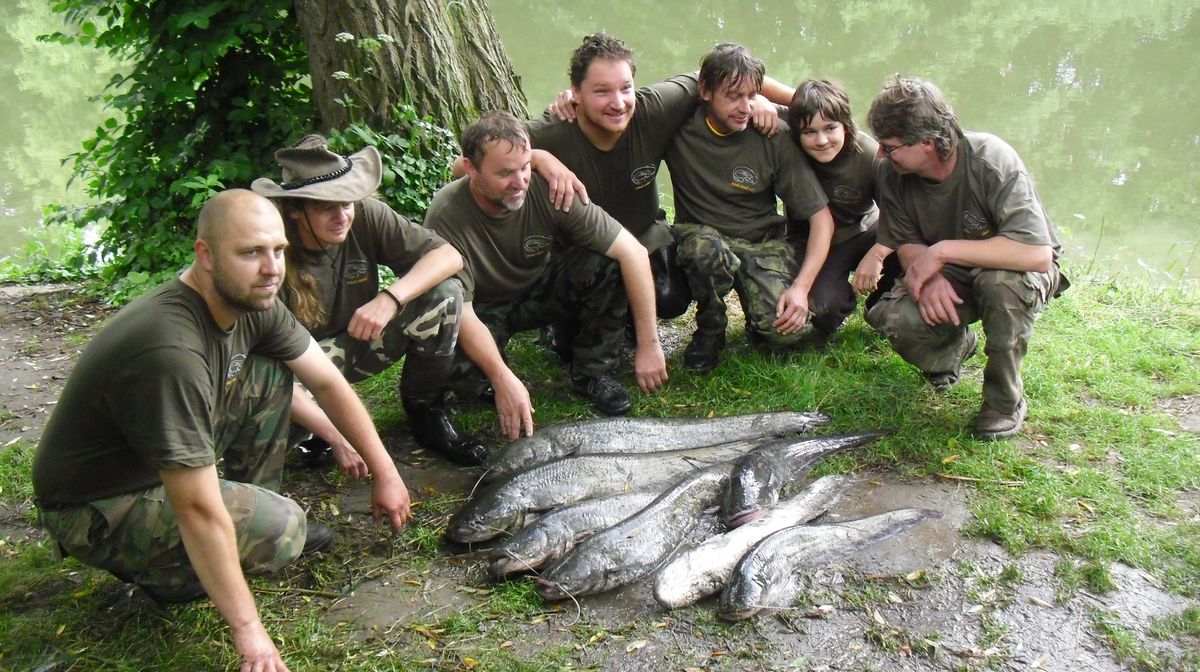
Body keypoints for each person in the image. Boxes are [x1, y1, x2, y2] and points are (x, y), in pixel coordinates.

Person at [33, 189, 411, 671]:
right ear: (205, 256)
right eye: (251, 252)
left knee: (273, 373)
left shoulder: (255, 300)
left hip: (150, 459)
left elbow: (326, 381)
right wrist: (251, 634)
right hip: (99, 503)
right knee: (283, 529)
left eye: (277, 250)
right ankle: (181, 576)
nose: (272, 267)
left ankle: (239, 529)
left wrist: (386, 472)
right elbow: (194, 506)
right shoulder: (170, 352)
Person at [425, 111, 667, 439]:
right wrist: (501, 377)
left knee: (608, 263)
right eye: (505, 173)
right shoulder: (446, 214)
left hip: (537, 291)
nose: (520, 181)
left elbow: (633, 253)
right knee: (463, 372)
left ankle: (590, 372)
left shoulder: (549, 187)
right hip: (482, 307)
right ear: (471, 170)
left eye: (525, 166)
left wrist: (649, 345)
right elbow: (461, 310)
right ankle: (487, 377)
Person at [251, 135, 487, 467]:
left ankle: (426, 412)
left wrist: (391, 298)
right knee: (264, 388)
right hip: (294, 363)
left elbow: (448, 256)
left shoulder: (366, 215)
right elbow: (257, 357)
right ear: (295, 212)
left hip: (356, 340)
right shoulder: (271, 249)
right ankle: (307, 440)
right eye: (325, 208)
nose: (341, 216)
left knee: (444, 293)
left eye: (347, 203)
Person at [865, 74, 1068, 439]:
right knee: (896, 319)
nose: (880, 153)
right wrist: (926, 277)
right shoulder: (892, 172)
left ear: (927, 143)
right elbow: (907, 241)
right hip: (954, 272)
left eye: (890, 146)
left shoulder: (991, 159)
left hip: (1013, 267)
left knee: (999, 286)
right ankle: (956, 348)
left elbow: (1037, 254)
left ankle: (1004, 402)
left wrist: (942, 252)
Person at [665, 43, 834, 373]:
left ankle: (759, 322)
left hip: (761, 242)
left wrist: (800, 289)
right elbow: (624, 110)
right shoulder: (676, 126)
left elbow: (821, 219)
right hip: (703, 237)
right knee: (705, 249)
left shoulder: (773, 133)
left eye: (751, 95)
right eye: (732, 96)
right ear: (704, 92)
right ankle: (711, 330)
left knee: (786, 332)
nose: (744, 107)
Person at [786, 78, 902, 334]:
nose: (821, 140)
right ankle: (841, 300)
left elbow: (901, 217)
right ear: (796, 133)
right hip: (812, 240)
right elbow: (756, 101)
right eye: (809, 132)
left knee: (907, 252)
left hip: (865, 229)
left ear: (846, 125)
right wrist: (760, 101)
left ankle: (881, 302)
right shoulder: (787, 146)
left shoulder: (871, 154)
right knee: (823, 306)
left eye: (830, 128)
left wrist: (878, 254)